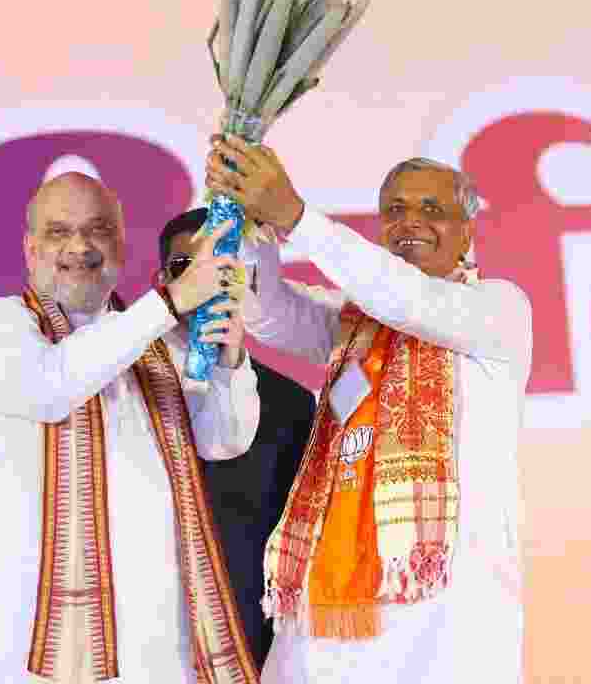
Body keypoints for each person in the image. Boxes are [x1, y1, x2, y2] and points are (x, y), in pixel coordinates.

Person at [205, 145, 532, 682]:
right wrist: (252, 227)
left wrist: (296, 217)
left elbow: (407, 300)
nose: (411, 222)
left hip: (443, 613)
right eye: (396, 210)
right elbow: (268, 313)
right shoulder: (354, 322)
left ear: (469, 233)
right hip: (337, 596)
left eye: (433, 210)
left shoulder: (498, 309)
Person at [0, 172, 262, 684]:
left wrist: (229, 359)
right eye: (59, 232)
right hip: (40, 647)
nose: (79, 246)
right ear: (29, 248)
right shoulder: (2, 325)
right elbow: (50, 388)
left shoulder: (155, 338)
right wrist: (169, 302)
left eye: (97, 229)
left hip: (156, 645)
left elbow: (223, 438)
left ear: (121, 246)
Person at [157, 207, 319, 666]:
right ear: (161, 280)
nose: (201, 284)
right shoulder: (119, 383)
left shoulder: (289, 404)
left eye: (218, 268)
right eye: (184, 267)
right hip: (143, 642)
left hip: (245, 643)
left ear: (243, 279)